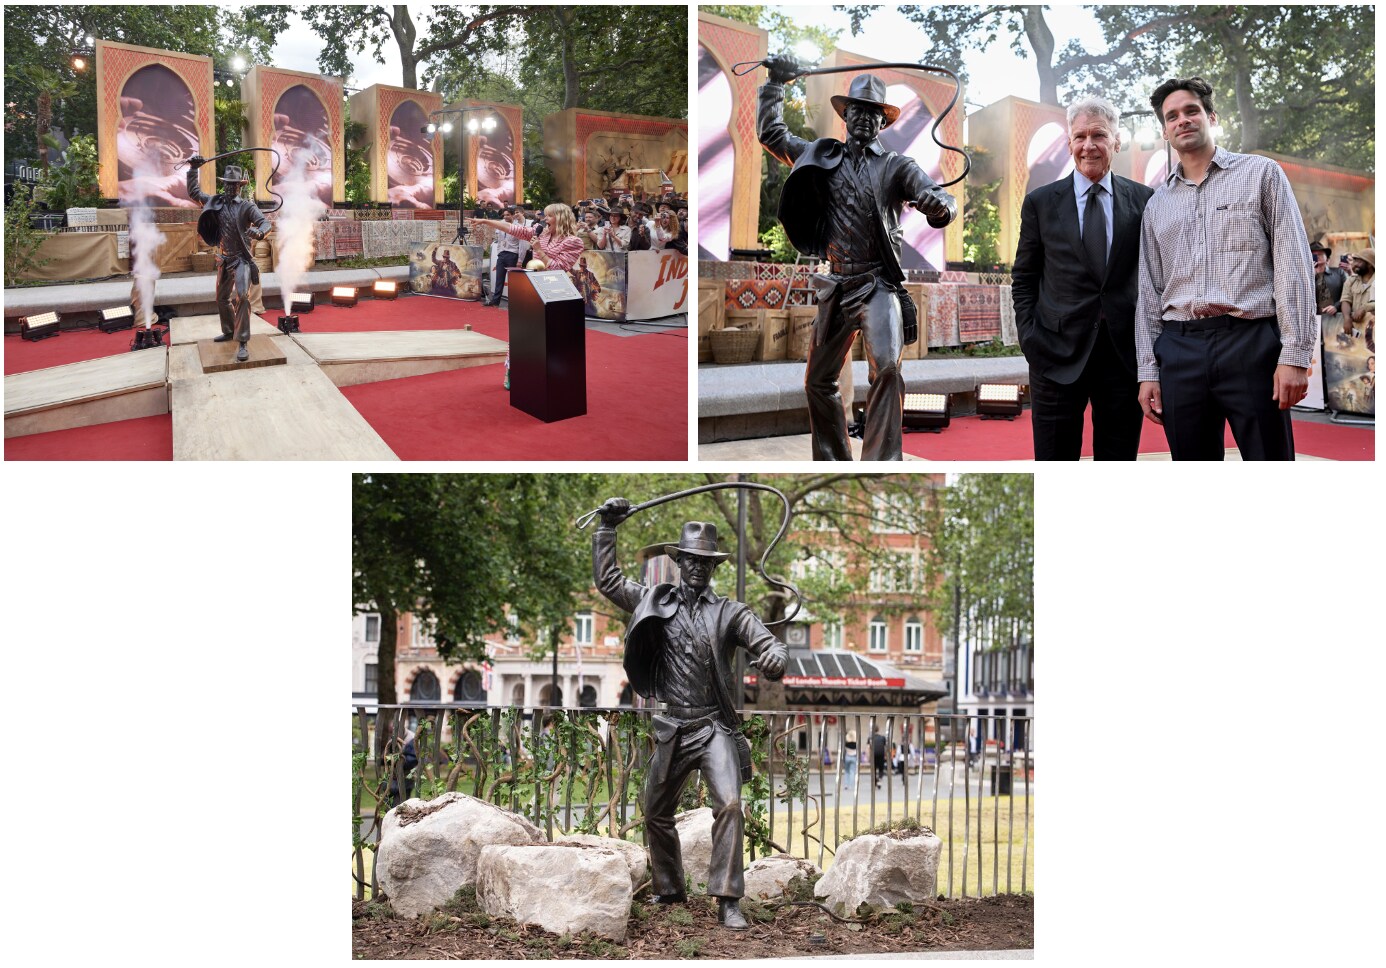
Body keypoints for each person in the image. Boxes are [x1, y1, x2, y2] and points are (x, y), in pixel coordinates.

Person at [591, 498, 788, 931]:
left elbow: (768, 642)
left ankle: (728, 899)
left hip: (712, 726)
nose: (697, 568)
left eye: (705, 562)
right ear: (679, 562)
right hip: (673, 726)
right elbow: (607, 580)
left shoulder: (730, 612)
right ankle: (669, 887)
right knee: (655, 811)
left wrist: (775, 655)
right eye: (690, 561)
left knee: (731, 805)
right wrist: (607, 528)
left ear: (714, 567)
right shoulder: (652, 601)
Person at [759, 58, 958, 461]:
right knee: (818, 381)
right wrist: (775, 83)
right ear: (845, 114)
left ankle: (882, 462)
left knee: (886, 369)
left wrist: (939, 206)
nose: (864, 118)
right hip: (836, 285)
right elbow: (772, 134)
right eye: (858, 110)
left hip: (876, 287)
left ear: (883, 123)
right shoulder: (818, 155)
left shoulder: (896, 166)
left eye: (873, 113)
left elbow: (939, 198)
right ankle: (832, 458)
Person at [1135, 76, 1315, 460]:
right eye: (1172, 116)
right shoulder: (1156, 205)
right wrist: (1148, 370)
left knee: (1271, 462)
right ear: (1165, 131)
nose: (1182, 120)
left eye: (1191, 111)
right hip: (1179, 349)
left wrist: (1295, 355)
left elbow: (1293, 265)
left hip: (1251, 345)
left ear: (1211, 117)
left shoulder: (1261, 174)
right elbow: (1149, 293)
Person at [1011, 96, 1154, 460]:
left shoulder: (1145, 200)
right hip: (1054, 355)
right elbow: (1024, 277)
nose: (1088, 145)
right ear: (1069, 143)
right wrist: (1030, 338)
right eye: (1080, 137)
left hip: (1122, 358)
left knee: (1118, 462)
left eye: (1099, 135)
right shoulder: (1040, 203)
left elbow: (1156, 277)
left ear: (1116, 142)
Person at [471, 203, 586, 389]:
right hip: (531, 290)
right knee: (521, 332)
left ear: (561, 218)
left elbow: (559, 268)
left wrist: (540, 251)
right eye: (545, 216)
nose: (544, 219)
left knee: (549, 337)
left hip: (554, 294)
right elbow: (513, 228)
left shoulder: (573, 241)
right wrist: (486, 221)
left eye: (549, 216)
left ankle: (550, 373)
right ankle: (513, 371)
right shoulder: (540, 232)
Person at [185, 158, 271, 363]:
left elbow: (265, 222)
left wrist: (259, 232)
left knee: (242, 297)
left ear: (240, 186)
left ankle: (242, 341)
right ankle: (228, 330)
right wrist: (193, 169)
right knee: (222, 299)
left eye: (234, 184)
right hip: (224, 258)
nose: (230, 188)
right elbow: (194, 193)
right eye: (227, 184)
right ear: (223, 184)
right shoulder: (215, 202)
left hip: (241, 260)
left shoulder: (247, 207)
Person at [484, 206, 525, 308]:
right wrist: (499, 252)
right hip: (502, 254)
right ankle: (495, 301)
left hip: (513, 254)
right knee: (499, 279)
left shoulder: (518, 227)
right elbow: (499, 240)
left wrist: (520, 260)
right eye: (504, 215)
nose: (505, 216)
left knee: (513, 281)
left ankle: (515, 303)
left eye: (508, 215)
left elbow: (522, 245)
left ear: (513, 216)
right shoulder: (501, 225)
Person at [1338, 248, 1374, 344]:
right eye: (1354, 260)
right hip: (1358, 333)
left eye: (1359, 261)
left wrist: (1364, 308)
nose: (1354, 264)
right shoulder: (1350, 280)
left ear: (1369, 263)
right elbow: (1345, 300)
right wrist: (1347, 318)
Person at [1311, 241, 1347, 322]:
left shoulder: (1339, 273)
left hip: (1336, 318)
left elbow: (1348, 294)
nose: (1316, 256)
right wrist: (1312, 274)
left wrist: (1336, 307)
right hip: (1313, 320)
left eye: (1320, 254)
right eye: (1313, 254)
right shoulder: (1304, 277)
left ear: (1327, 258)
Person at [386, 727, 418, 808]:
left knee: (399, 805)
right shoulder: (392, 737)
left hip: (405, 778)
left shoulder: (412, 738)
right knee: (386, 805)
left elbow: (413, 759)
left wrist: (399, 761)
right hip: (391, 778)